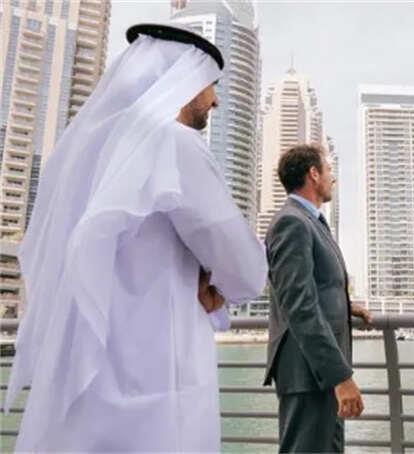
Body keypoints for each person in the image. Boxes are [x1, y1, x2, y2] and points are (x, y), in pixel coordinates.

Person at [3, 24, 267, 451]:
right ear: (183, 79)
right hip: (154, 376)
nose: (215, 100)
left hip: (87, 373)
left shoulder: (95, 151)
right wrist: (220, 285)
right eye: (210, 85)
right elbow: (242, 266)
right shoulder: (175, 143)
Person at [263, 144, 372, 453]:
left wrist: (345, 306)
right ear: (313, 174)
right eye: (328, 170)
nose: (332, 178)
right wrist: (341, 377)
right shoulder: (292, 223)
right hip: (309, 373)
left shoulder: (310, 222)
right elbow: (299, 305)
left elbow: (315, 288)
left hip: (318, 374)